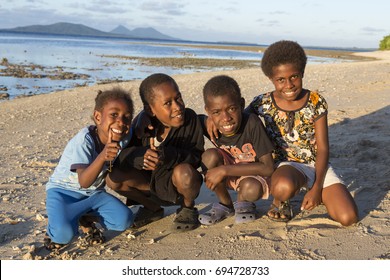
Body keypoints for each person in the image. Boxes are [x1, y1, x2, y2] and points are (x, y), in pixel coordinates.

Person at [247, 40, 358, 226]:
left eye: (294, 77)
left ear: (302, 73)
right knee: (283, 186)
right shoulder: (262, 103)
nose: (289, 85)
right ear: (271, 79)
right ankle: (281, 201)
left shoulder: (315, 101)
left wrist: (316, 188)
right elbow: (238, 120)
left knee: (348, 218)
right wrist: (208, 120)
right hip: (286, 167)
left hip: (316, 165)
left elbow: (323, 149)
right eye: (281, 80)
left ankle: (318, 192)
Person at [107, 73, 204, 232]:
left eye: (178, 98)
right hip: (149, 187)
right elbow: (120, 156)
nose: (177, 107)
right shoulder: (142, 127)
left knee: (185, 173)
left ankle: (187, 208)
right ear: (150, 110)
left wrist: (167, 155)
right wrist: (139, 157)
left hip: (177, 187)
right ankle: (152, 208)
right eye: (167, 103)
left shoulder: (190, 119)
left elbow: (196, 156)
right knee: (113, 178)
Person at [44, 87, 134, 250]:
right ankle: (54, 228)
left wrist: (145, 121)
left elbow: (138, 125)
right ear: (98, 117)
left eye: (127, 117)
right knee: (63, 235)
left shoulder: (123, 135)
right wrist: (102, 156)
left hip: (94, 195)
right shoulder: (84, 140)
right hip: (63, 192)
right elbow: (84, 181)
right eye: (114, 115)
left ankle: (84, 218)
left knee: (124, 220)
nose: (121, 122)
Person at [198, 75, 274, 225]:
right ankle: (225, 204)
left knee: (251, 188)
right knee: (208, 157)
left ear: (241, 104)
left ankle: (243, 202)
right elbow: (183, 119)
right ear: (208, 111)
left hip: (252, 176)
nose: (225, 118)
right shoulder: (208, 123)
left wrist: (224, 170)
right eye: (216, 112)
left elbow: (268, 167)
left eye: (232, 109)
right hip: (228, 175)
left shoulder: (252, 123)